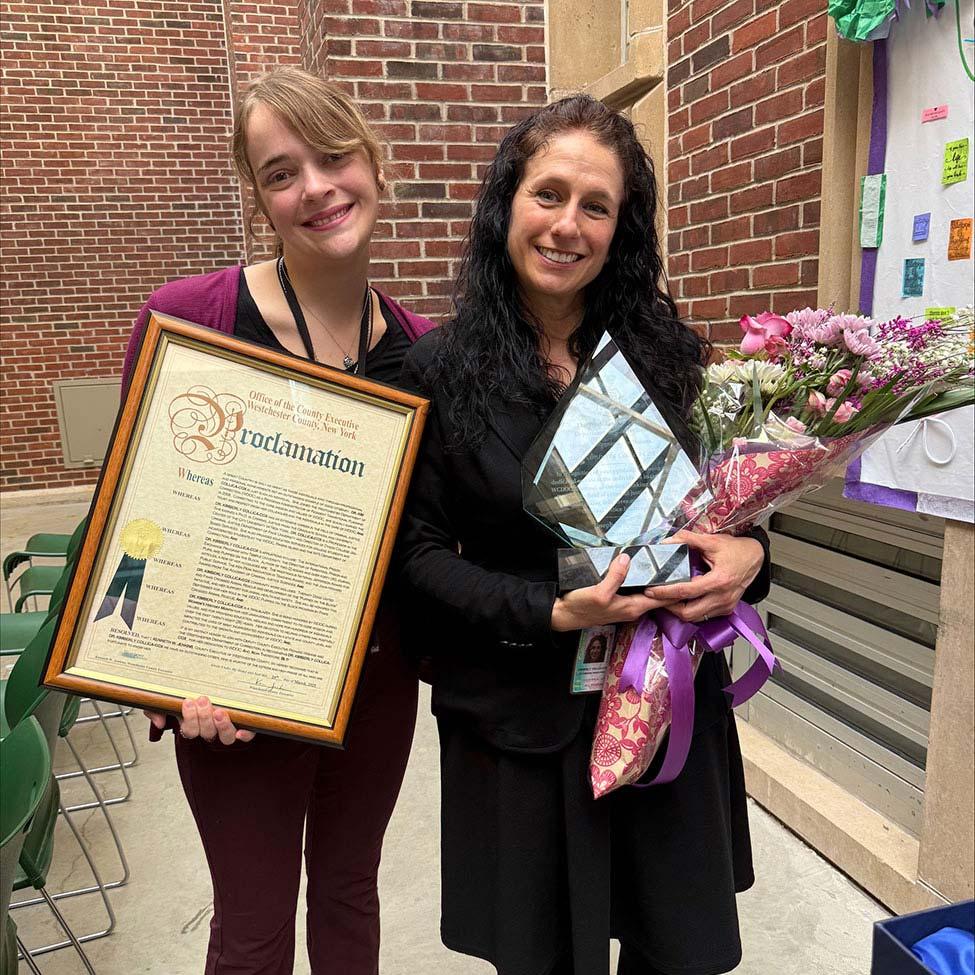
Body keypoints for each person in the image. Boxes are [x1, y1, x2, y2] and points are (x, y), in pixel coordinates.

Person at [397, 95, 772, 975]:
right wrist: (548, 609)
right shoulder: (437, 372)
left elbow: (729, 517)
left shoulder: (675, 360)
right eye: (548, 194)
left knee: (670, 949)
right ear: (505, 207)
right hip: (520, 723)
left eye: (595, 206)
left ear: (621, 228)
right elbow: (412, 560)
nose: (567, 225)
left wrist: (749, 561)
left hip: (666, 706)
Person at [121, 67, 434, 975]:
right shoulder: (189, 320)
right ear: (259, 198)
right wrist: (159, 678)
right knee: (253, 929)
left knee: (349, 899)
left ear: (372, 163)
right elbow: (140, 528)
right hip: (234, 694)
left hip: (372, 686)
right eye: (281, 171)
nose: (317, 188)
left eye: (334, 157)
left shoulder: (419, 349)